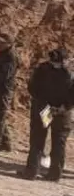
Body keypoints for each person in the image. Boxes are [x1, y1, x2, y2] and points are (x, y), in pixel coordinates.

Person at [21, 48, 74, 181]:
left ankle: (31, 171)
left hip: (45, 109)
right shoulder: (70, 73)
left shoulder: (42, 69)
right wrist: (64, 107)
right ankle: (54, 174)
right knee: (58, 143)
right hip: (61, 112)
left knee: (38, 140)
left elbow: (32, 87)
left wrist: (42, 102)